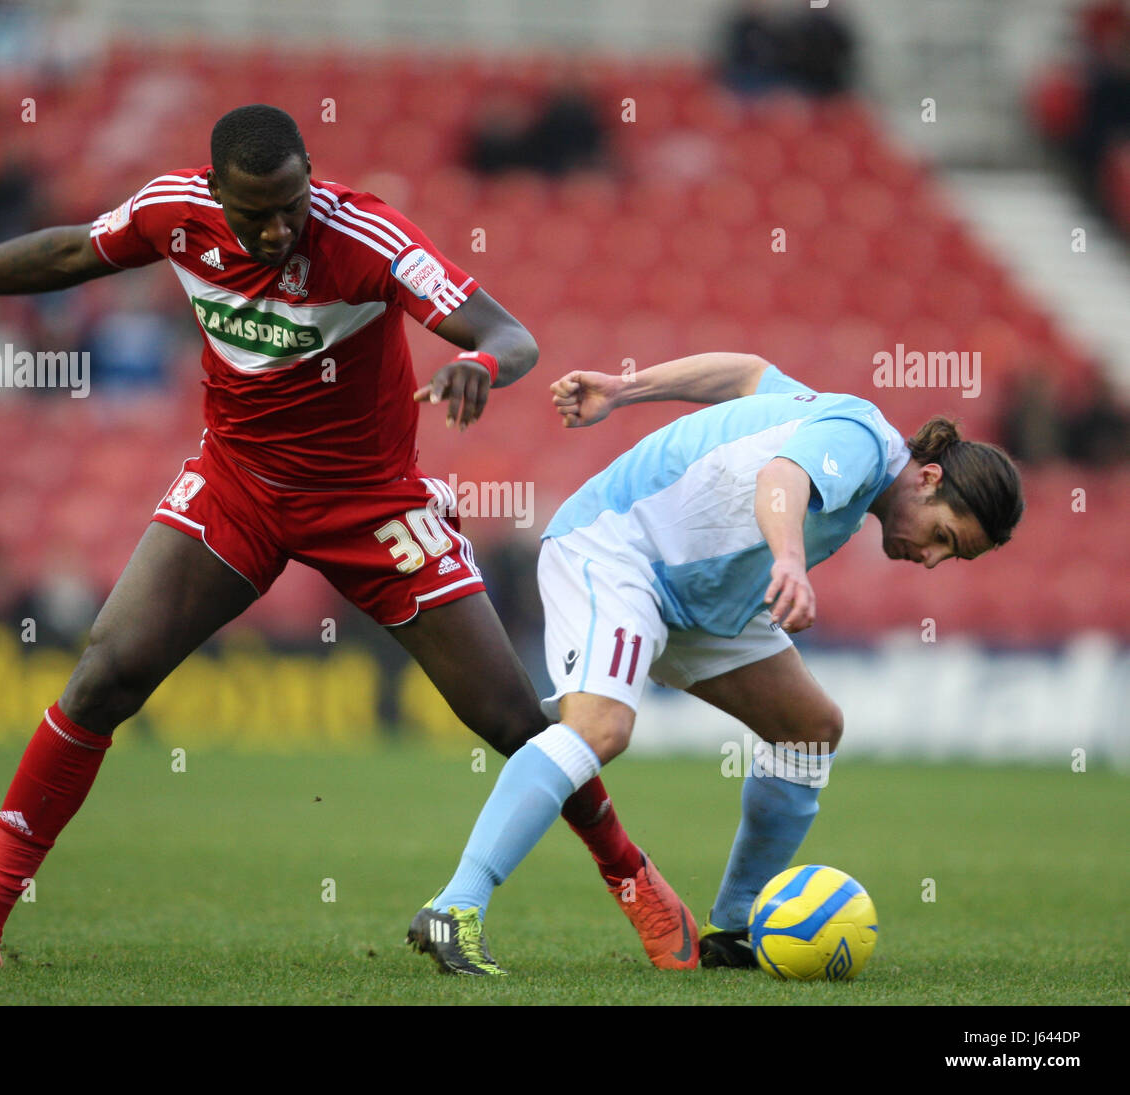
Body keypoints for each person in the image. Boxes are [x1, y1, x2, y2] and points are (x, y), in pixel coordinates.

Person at [0, 104, 697, 973]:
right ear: (216, 193)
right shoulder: (174, 212)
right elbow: (65, 253)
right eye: (259, 212)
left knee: (513, 719)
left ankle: (638, 883)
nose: (282, 226)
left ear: (309, 175)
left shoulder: (365, 235)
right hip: (238, 486)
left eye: (293, 201)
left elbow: (512, 333)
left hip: (372, 503)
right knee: (103, 673)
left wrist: (476, 362)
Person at [407, 350, 1024, 974]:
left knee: (810, 730)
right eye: (943, 537)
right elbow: (780, 480)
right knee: (601, 728)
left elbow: (748, 375)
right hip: (620, 553)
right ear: (929, 478)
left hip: (698, 598)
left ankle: (734, 929)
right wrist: (787, 560)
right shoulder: (862, 441)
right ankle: (456, 905)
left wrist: (625, 388)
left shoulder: (841, 427)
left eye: (952, 557)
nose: (932, 559)